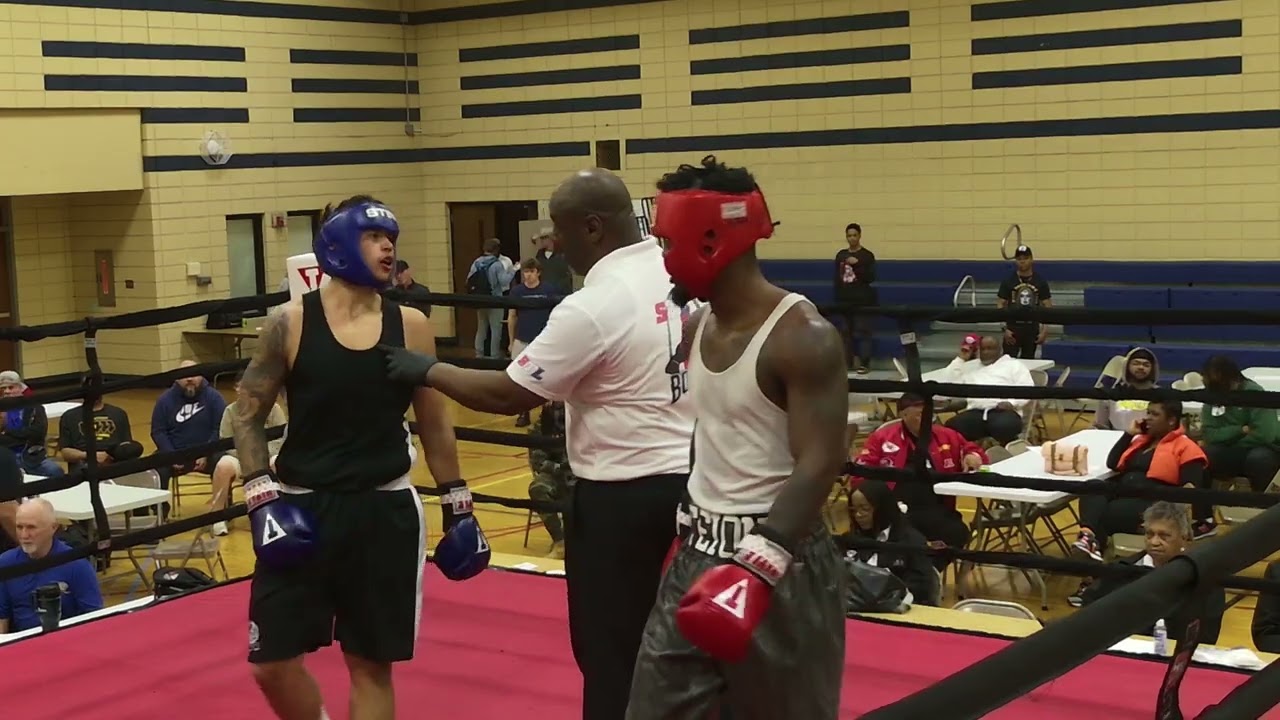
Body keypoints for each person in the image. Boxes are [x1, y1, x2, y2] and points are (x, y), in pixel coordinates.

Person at [380, 168, 696, 720]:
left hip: (621, 499)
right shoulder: (680, 276)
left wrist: (430, 369)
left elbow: (509, 394)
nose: (553, 243)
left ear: (593, 227)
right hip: (693, 486)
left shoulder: (595, 303)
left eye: (560, 230)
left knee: (610, 650)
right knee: (678, 641)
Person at [232, 196, 482, 720]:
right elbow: (248, 412)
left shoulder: (411, 324)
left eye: (391, 236)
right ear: (340, 243)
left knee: (370, 664)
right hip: (301, 507)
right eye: (374, 236)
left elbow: (434, 421)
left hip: (382, 510)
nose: (388, 246)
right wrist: (260, 496)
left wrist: (458, 503)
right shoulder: (290, 323)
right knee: (270, 662)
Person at [624, 155, 848, 719]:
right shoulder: (698, 324)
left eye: (668, 243)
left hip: (779, 565)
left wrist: (758, 563)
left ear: (710, 240)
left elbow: (821, 459)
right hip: (698, 555)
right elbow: (714, 429)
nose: (663, 259)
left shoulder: (803, 337)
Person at [1071, 400, 1209, 567]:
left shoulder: (1186, 446)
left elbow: (1189, 491)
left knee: (1101, 515)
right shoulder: (1142, 440)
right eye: (1148, 413)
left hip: (1152, 504)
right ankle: (1088, 538)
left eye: (1155, 414)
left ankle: (1092, 571)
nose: (1148, 418)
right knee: (1093, 486)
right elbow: (1113, 463)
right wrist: (1128, 434)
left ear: (1171, 420)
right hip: (1123, 493)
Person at [854, 394, 982, 568]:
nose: (926, 420)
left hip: (937, 508)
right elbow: (860, 472)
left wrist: (971, 456)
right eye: (919, 415)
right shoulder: (882, 438)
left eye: (929, 414)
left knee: (958, 533)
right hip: (896, 510)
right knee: (907, 537)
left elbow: (973, 450)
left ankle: (926, 572)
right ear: (903, 415)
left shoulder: (945, 434)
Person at [1075, 501, 1224, 644]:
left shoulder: (1204, 578)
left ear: (1184, 539)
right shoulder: (1121, 570)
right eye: (1149, 534)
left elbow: (1207, 635)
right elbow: (1089, 607)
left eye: (1164, 536)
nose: (1154, 542)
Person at [0, 498, 103, 633]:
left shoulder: (76, 565)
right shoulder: (5, 563)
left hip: (67, 643)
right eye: (19, 527)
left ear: (53, 528)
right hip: (22, 646)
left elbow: (94, 618)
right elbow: (2, 617)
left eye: (31, 527)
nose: (24, 535)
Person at [1200, 355, 1280, 518]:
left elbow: (1266, 434)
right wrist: (1239, 430)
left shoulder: (1254, 392)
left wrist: (1228, 438)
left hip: (1262, 449)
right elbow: (1209, 434)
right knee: (1203, 456)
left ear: (1234, 378)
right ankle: (1203, 515)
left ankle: (1267, 515)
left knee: (1259, 459)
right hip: (1230, 450)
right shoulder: (1212, 395)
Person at [836, 479, 938, 606]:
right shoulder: (850, 540)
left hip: (900, 611)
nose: (858, 515)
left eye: (865, 509)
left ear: (882, 508)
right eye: (853, 510)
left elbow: (921, 587)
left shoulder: (911, 541)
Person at [939, 335, 1034, 444]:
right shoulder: (971, 367)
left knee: (1003, 426)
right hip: (976, 412)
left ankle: (1006, 453)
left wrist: (1011, 403)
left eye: (990, 348)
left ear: (1000, 350)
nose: (986, 352)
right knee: (951, 428)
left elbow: (1027, 388)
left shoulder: (1014, 365)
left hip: (1003, 411)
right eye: (983, 349)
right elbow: (949, 383)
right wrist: (961, 359)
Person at [507, 257, 557, 427]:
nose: (528, 275)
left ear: (538, 273)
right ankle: (523, 412)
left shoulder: (548, 290)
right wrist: (511, 341)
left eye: (531, 272)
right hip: (522, 338)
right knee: (520, 377)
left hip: (542, 340)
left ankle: (547, 413)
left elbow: (555, 316)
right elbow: (512, 316)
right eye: (525, 272)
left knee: (544, 376)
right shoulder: (517, 292)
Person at [527, 401, 573, 559]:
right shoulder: (541, 426)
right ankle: (560, 542)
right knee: (538, 488)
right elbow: (538, 460)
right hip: (558, 475)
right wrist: (559, 468)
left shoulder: (583, 418)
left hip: (584, 475)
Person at [833, 222, 877, 374]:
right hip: (845, 299)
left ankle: (864, 363)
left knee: (864, 331)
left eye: (854, 235)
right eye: (849, 236)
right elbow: (837, 277)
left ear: (859, 236)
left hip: (862, 299)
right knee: (845, 333)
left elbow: (871, 278)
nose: (852, 238)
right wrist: (837, 296)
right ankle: (847, 363)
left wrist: (858, 265)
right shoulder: (841, 255)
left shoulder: (867, 256)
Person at [0, 371, 62, 478]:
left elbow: (38, 433)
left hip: (33, 457)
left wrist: (8, 432)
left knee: (56, 471)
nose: (7, 392)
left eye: (11, 388)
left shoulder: (35, 407)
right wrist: (24, 436)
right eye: (3, 389)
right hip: (7, 459)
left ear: (20, 388)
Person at [997, 244, 1051, 359]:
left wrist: (1045, 331)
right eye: (1019, 259)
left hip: (1032, 329)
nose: (1022, 262)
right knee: (1007, 363)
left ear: (1031, 259)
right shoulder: (1008, 281)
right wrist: (1004, 329)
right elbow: (1000, 304)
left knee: (1028, 363)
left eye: (1025, 258)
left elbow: (1048, 306)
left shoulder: (1040, 281)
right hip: (1013, 328)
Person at [1095, 347, 1159, 430]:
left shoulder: (1161, 396)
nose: (1141, 367)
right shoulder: (1110, 395)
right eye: (1136, 363)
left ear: (1152, 369)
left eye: (1146, 365)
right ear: (1127, 367)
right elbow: (1100, 426)